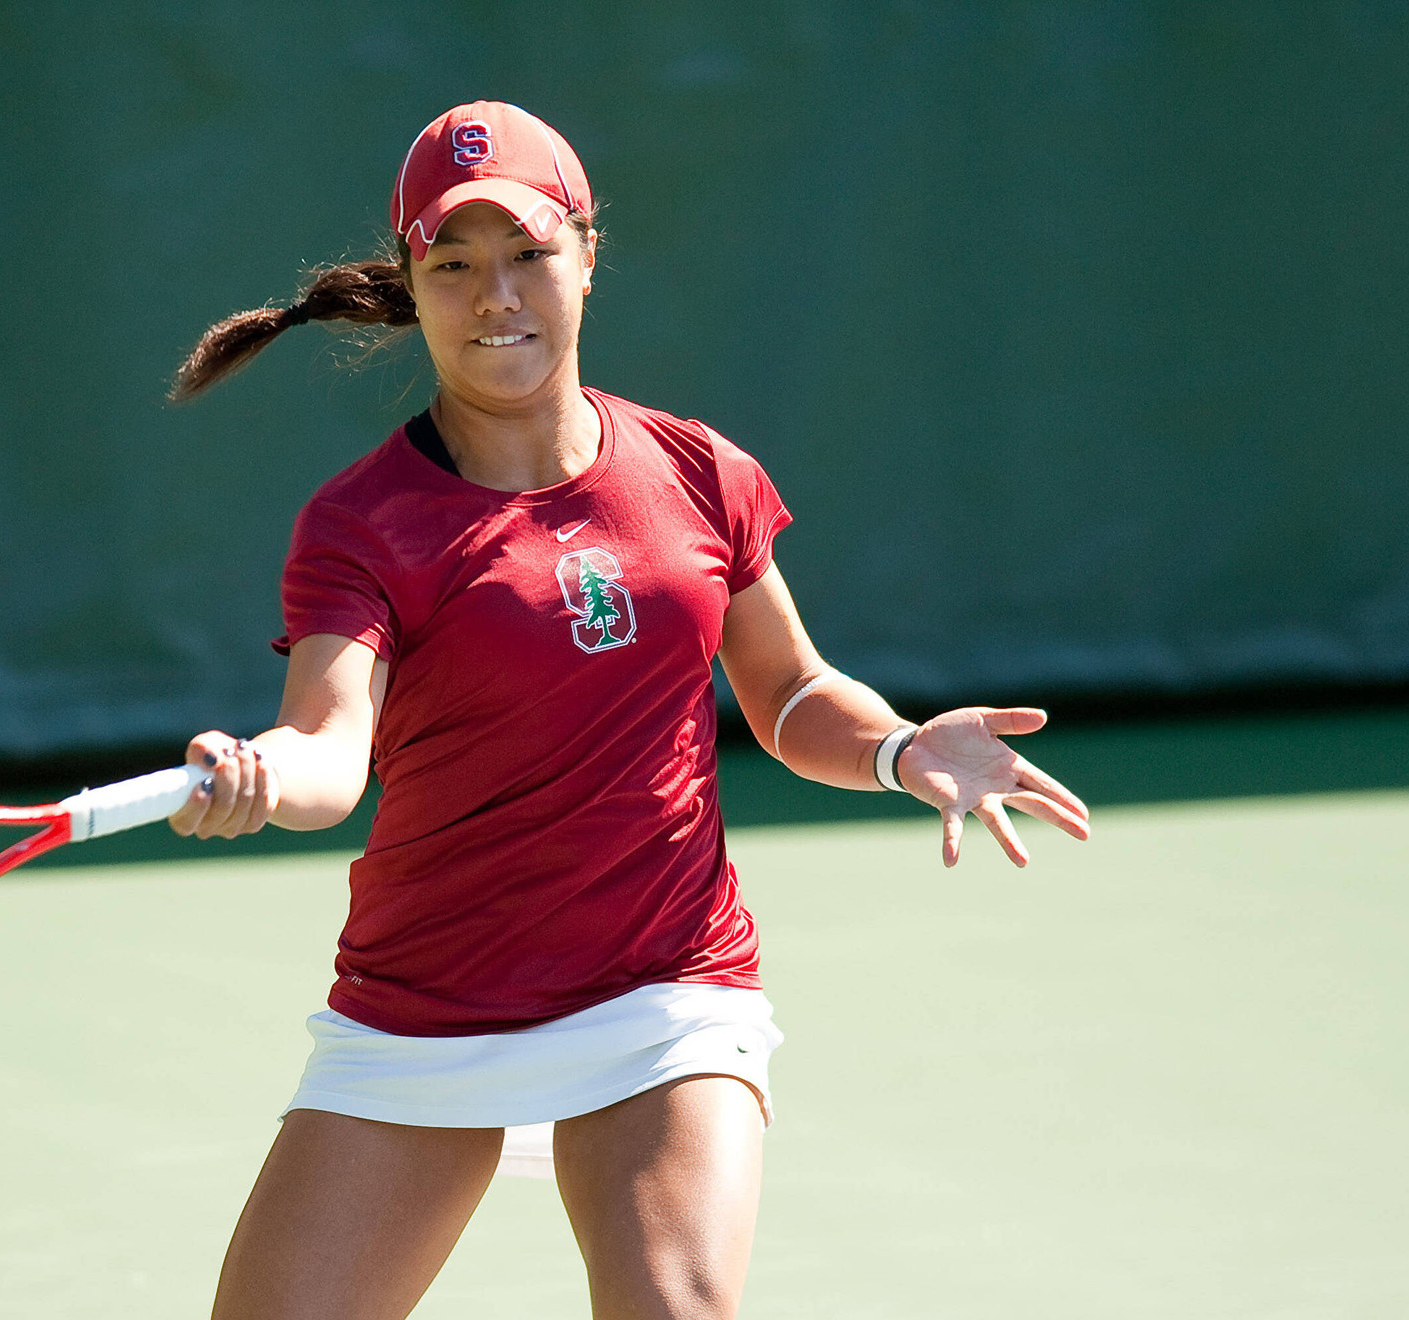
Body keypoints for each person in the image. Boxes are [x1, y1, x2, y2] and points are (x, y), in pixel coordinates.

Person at [165, 101, 1091, 1320]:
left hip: (663, 988)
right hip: (427, 1002)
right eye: (454, 265)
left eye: (528, 253)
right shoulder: (362, 524)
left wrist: (899, 746)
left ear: (588, 255)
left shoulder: (699, 470)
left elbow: (790, 691)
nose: (496, 295)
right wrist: (262, 774)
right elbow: (331, 750)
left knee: (674, 1305)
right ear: (413, 286)